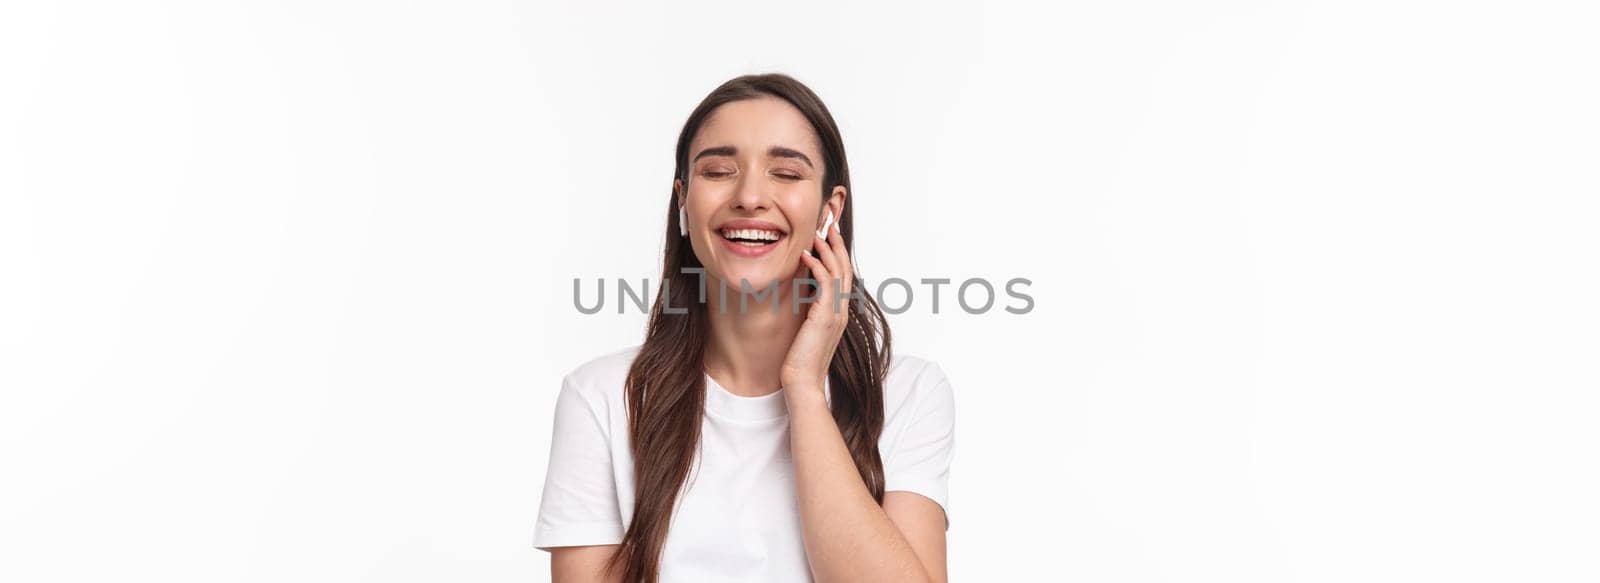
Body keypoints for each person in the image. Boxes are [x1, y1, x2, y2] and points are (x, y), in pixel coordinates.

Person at [533, 73, 955, 583]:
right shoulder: (600, 397)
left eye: (786, 173)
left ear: (830, 212)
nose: (751, 196)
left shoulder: (909, 393)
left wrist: (803, 389)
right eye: (718, 170)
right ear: (684, 203)